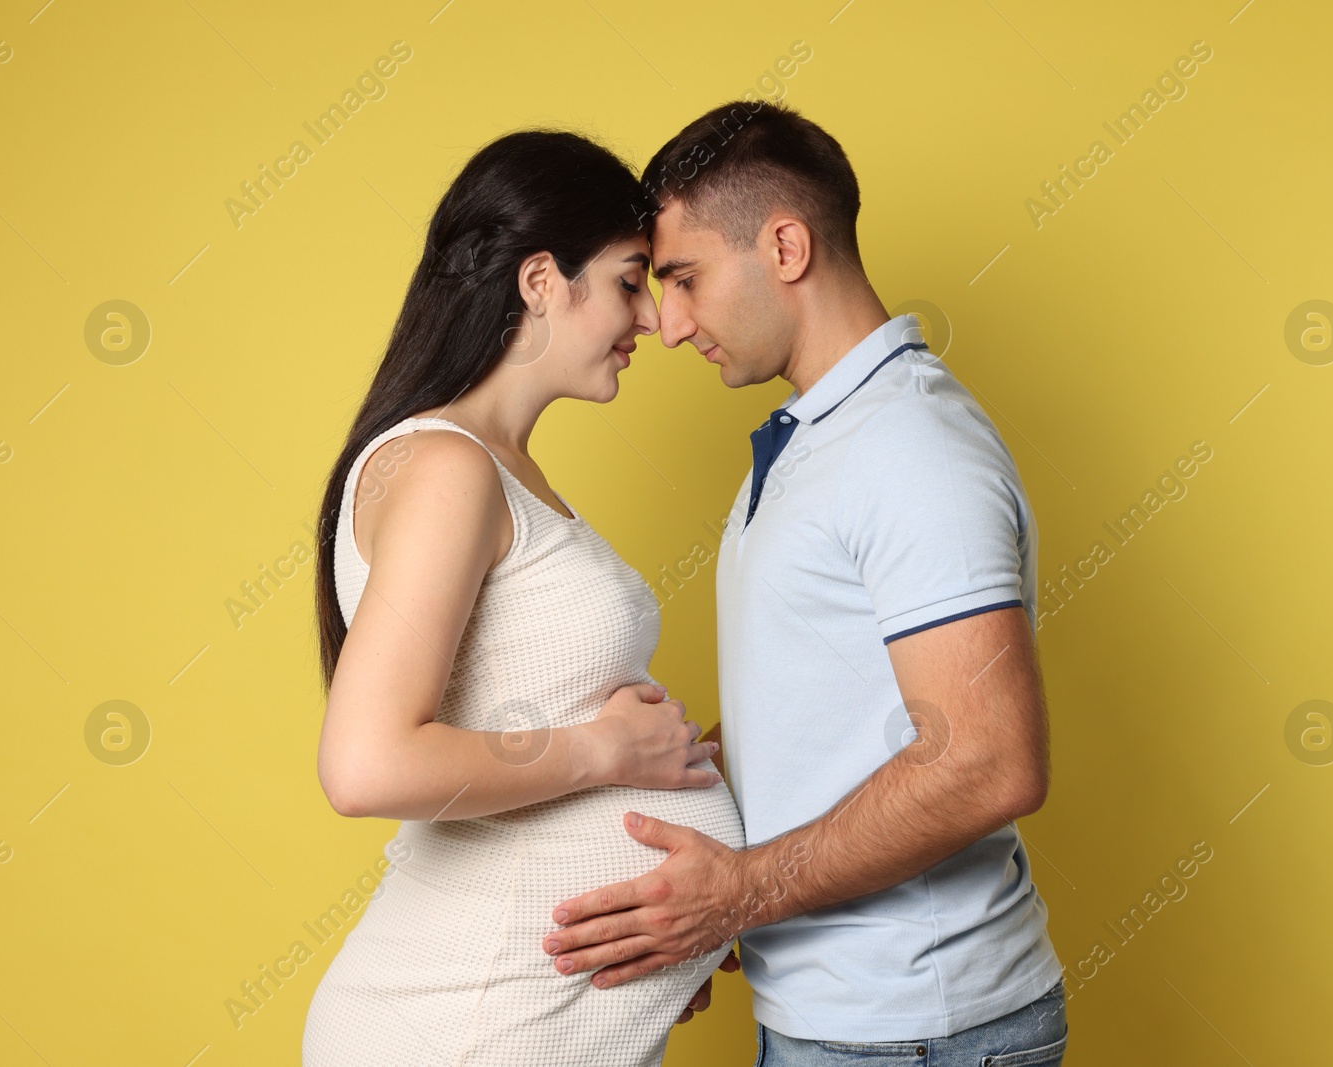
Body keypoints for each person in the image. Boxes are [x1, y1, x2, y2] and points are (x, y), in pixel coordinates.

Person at [539, 101, 1071, 1066]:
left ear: (785, 245)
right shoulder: (809, 440)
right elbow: (831, 730)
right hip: (844, 1022)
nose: (670, 324)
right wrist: (695, 885)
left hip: (917, 1031)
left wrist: (741, 891)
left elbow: (991, 759)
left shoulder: (911, 449)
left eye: (686, 278)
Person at [301, 129, 744, 1067]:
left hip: (516, 1018)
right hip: (461, 1027)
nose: (655, 322)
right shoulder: (446, 468)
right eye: (630, 280)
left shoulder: (497, 472)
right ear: (542, 279)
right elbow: (367, 763)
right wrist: (607, 748)